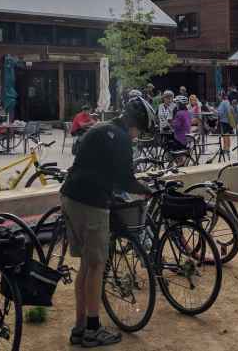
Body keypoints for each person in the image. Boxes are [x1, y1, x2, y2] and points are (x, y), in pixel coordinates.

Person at [60, 96, 155, 347]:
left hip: (70, 196)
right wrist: (147, 189)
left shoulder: (101, 127)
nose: (137, 136)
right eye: (140, 131)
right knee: (97, 266)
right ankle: (92, 329)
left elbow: (96, 165)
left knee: (86, 266)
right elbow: (125, 180)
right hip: (90, 204)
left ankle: (79, 327)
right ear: (134, 124)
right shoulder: (121, 138)